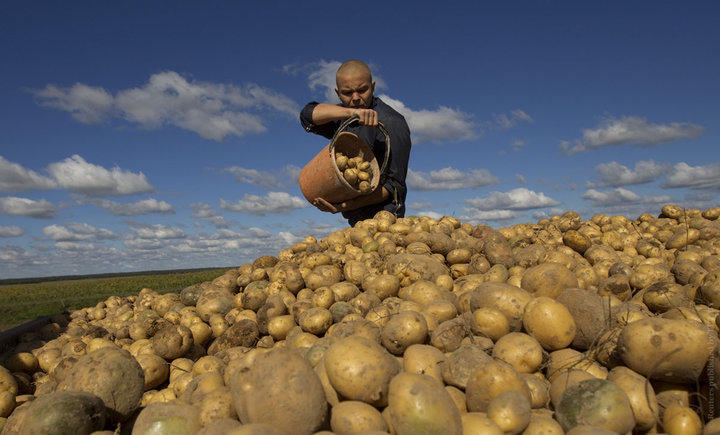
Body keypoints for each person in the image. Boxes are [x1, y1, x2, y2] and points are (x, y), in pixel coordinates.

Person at [299, 60, 411, 226]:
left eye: (362, 90)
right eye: (347, 93)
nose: (356, 98)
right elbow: (307, 115)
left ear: (372, 86)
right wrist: (351, 113)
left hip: (385, 219)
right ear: (337, 93)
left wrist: (344, 205)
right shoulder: (344, 115)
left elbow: (394, 188)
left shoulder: (392, 123)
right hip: (355, 220)